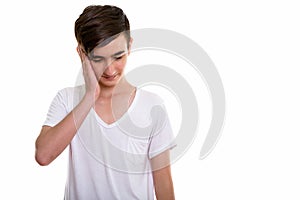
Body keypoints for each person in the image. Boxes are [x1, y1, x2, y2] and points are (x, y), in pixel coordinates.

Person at [35, 5, 176, 200]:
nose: (110, 70)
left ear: (130, 46)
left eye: (118, 57)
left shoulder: (152, 106)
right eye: (98, 58)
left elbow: (163, 186)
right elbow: (43, 155)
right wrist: (90, 97)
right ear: (81, 54)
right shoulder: (66, 100)